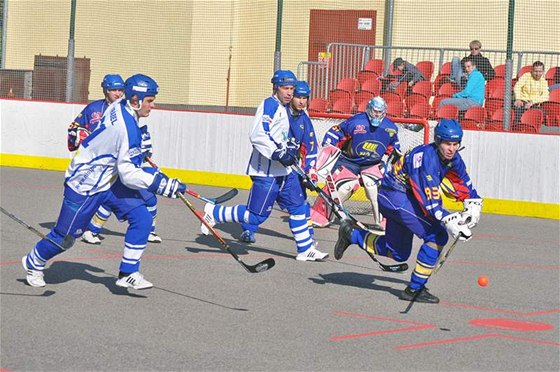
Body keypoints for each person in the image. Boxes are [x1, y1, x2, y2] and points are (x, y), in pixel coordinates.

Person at [22, 74, 187, 289]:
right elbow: (128, 173)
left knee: (142, 217)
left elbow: (123, 157)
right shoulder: (126, 128)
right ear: (135, 100)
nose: (153, 105)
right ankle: (34, 261)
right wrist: (161, 184)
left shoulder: (121, 105)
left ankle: (128, 272)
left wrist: (139, 145)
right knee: (64, 238)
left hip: (109, 179)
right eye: (150, 100)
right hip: (85, 183)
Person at [334, 119, 482, 303]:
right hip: (395, 196)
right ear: (437, 141)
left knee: (397, 253)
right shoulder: (426, 160)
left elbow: (463, 183)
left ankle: (353, 235)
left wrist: (473, 205)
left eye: (455, 144)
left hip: (401, 197)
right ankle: (414, 289)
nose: (451, 148)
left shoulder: (452, 158)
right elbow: (430, 202)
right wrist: (451, 221)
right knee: (437, 235)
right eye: (447, 143)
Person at [200, 71, 328, 261]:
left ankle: (305, 249)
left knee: (299, 207)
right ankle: (214, 213)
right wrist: (277, 153)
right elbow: (258, 134)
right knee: (255, 217)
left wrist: (298, 163)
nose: (289, 93)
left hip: (285, 171)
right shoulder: (269, 105)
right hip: (265, 172)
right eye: (285, 88)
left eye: (292, 89)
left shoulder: (286, 108)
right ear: (275, 88)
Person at [70, 75, 162, 245]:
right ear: (105, 90)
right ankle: (90, 229)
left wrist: (143, 143)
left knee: (147, 198)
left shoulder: (124, 107)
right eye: (113, 90)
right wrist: (79, 136)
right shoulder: (95, 108)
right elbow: (74, 131)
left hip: (120, 165)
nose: (118, 93)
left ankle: (145, 230)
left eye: (120, 90)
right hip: (100, 168)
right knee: (113, 199)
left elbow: (130, 134)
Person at [238, 80, 319, 245]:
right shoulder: (280, 111)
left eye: (305, 98)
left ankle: (307, 237)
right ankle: (248, 229)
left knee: (300, 203)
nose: (301, 101)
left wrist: (310, 172)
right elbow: (262, 135)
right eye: (298, 97)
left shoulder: (305, 120)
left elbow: (311, 148)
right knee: (259, 206)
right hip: (270, 167)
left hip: (291, 168)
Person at [310, 96, 401, 230]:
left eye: (380, 112)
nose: (377, 115)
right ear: (369, 109)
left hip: (373, 163)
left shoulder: (390, 128)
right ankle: (321, 214)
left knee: (376, 187)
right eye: (374, 111)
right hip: (348, 161)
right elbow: (335, 133)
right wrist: (329, 148)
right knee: (342, 188)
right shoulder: (355, 122)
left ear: (384, 112)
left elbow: (394, 150)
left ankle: (386, 221)